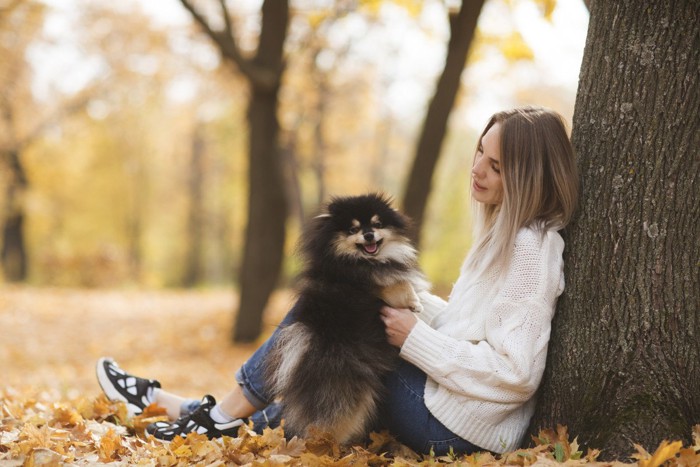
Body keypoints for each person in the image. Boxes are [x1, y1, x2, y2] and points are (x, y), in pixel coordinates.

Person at [96, 106, 579, 456]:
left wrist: (416, 339)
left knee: (327, 317)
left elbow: (516, 373)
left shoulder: (532, 250)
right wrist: (406, 300)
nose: (477, 169)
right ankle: (195, 415)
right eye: (479, 151)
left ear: (527, 176)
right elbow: (466, 327)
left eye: (495, 167)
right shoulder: (503, 234)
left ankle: (212, 415)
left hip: (460, 428)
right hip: (449, 402)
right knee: (333, 338)